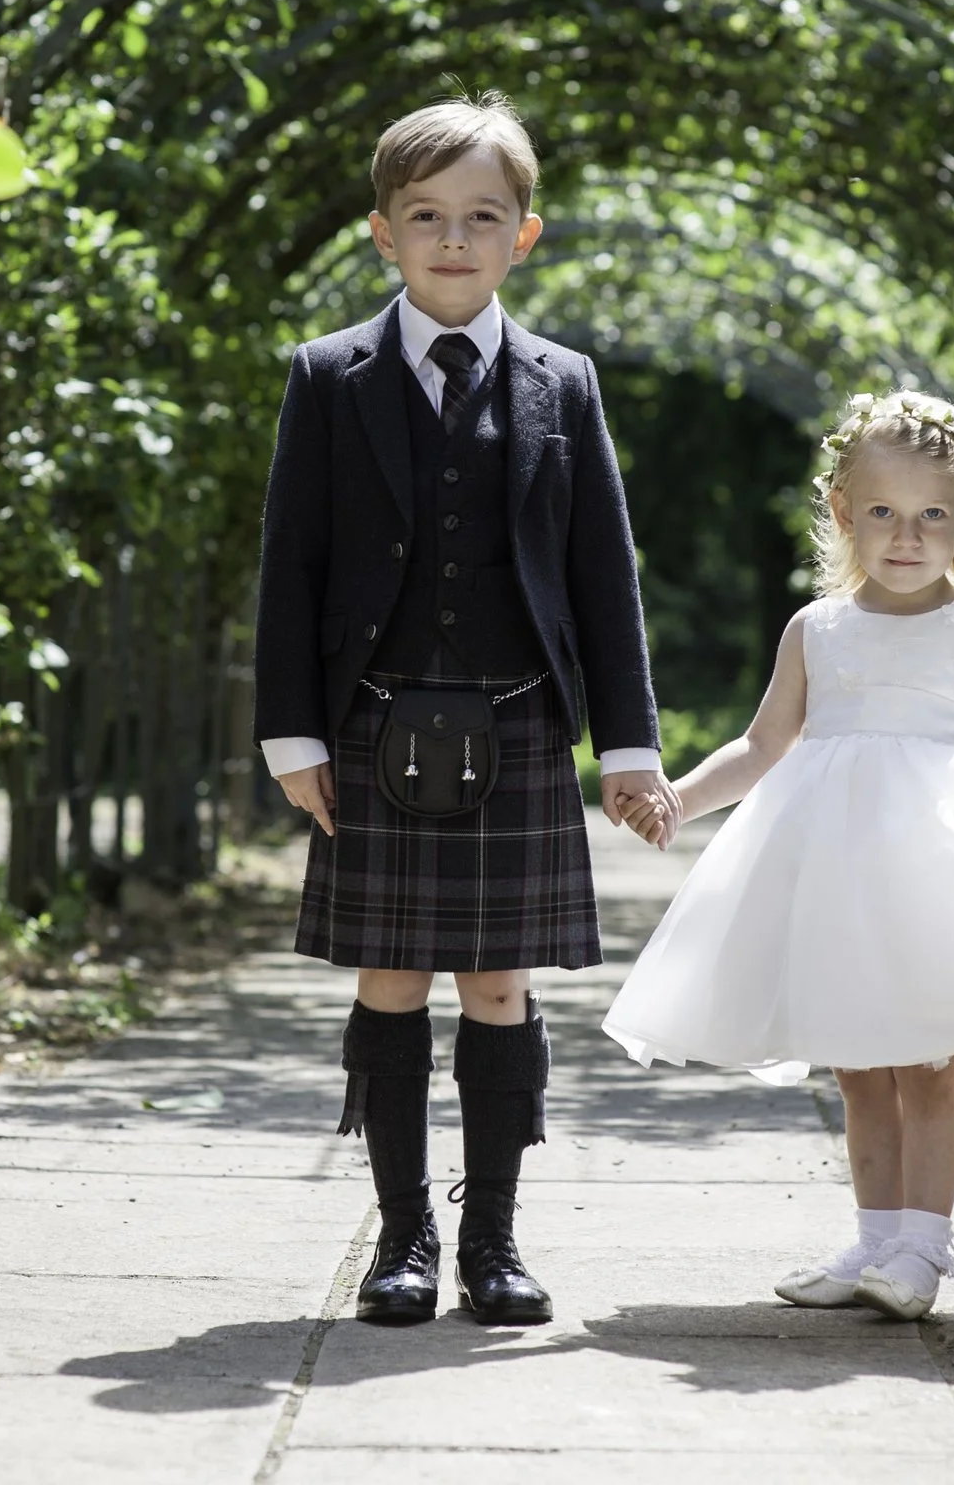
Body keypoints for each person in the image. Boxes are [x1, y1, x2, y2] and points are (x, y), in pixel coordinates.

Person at [252, 90, 678, 1327]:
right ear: (383, 231)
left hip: (523, 728)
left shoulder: (567, 382)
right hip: (377, 728)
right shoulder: (328, 376)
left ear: (522, 236)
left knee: (499, 985)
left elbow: (606, 572)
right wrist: (294, 737)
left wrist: (628, 746)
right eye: (426, 215)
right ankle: (402, 1240)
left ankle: (492, 1238)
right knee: (390, 976)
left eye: (480, 216)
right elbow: (294, 564)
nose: (454, 237)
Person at [600, 389, 954, 1321]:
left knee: (928, 1062)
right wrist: (678, 800)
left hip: (933, 883)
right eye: (884, 514)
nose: (908, 536)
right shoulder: (816, 628)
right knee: (858, 1063)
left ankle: (924, 1248)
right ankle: (874, 1239)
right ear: (843, 515)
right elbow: (763, 745)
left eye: (933, 515)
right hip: (836, 877)